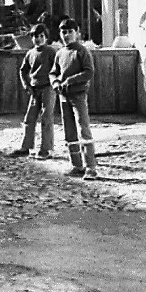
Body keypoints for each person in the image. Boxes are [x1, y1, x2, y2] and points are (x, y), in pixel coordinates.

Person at [50, 18, 97, 180]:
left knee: (83, 128)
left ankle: (90, 167)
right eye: (64, 32)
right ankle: (77, 165)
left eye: (70, 32)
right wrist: (55, 82)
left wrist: (71, 80)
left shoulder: (82, 51)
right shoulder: (60, 53)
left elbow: (89, 72)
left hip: (78, 96)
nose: (67, 35)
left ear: (77, 33)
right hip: (63, 96)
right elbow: (53, 72)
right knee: (69, 131)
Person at [9, 24, 56, 160]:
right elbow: (23, 70)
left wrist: (55, 83)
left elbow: (57, 68)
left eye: (41, 36)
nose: (38, 39)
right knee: (29, 118)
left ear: (46, 38)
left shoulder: (50, 52)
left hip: (48, 88)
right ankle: (26, 147)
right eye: (35, 36)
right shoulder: (30, 53)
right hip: (35, 89)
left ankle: (46, 149)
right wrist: (26, 84)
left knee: (46, 117)